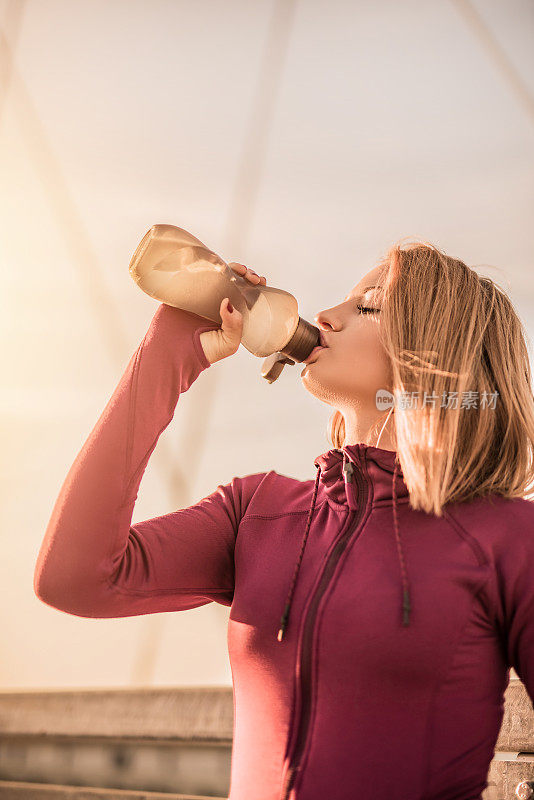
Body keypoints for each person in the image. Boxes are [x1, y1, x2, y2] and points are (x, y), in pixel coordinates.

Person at [34, 242, 534, 800]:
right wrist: (166, 357)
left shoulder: (510, 540)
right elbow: (75, 578)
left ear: (440, 347)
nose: (325, 317)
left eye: (368, 306)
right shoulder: (257, 512)